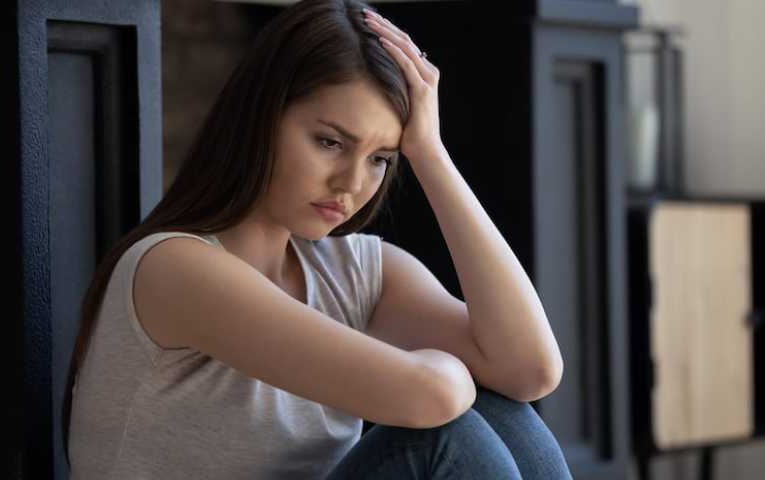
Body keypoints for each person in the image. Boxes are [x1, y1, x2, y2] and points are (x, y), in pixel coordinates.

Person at [62, 0, 572, 478]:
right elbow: (432, 397)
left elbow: (530, 370)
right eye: (330, 142)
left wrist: (431, 154)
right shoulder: (172, 268)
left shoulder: (353, 271)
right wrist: (448, 371)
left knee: (498, 404)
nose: (351, 183)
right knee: (447, 433)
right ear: (261, 120)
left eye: (380, 158)